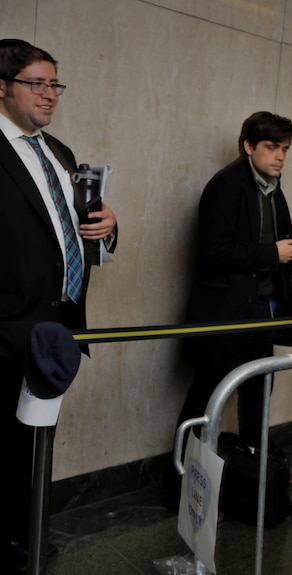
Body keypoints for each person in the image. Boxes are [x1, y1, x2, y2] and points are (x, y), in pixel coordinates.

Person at [0, 39, 118, 571]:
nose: (50, 96)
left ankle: (22, 537)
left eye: (55, 85)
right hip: (7, 329)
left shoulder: (61, 154)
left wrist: (108, 231)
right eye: (36, 84)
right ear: (1, 86)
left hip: (57, 328)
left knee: (29, 445)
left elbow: (70, 234)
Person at [178, 111, 292, 448]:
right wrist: (271, 254)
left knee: (257, 396)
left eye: (285, 148)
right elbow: (211, 251)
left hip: (260, 311)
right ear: (249, 146)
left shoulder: (272, 188)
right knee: (205, 402)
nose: (280, 156)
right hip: (224, 314)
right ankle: (182, 484)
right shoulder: (226, 184)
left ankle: (256, 475)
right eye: (272, 147)